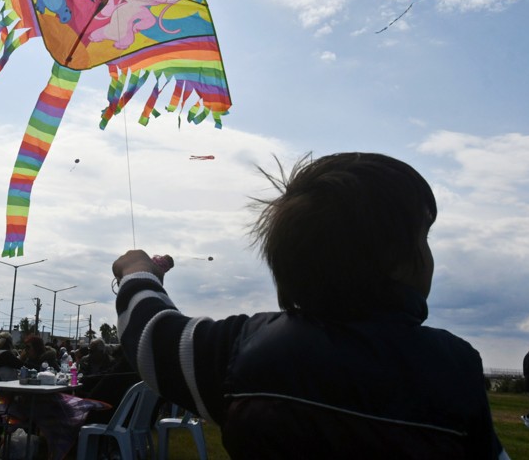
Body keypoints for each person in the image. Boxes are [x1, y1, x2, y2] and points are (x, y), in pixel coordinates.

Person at [112, 152, 508, 458]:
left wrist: (137, 271)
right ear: (400, 261)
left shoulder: (246, 351)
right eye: (425, 238)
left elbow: (151, 336)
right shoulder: (453, 368)